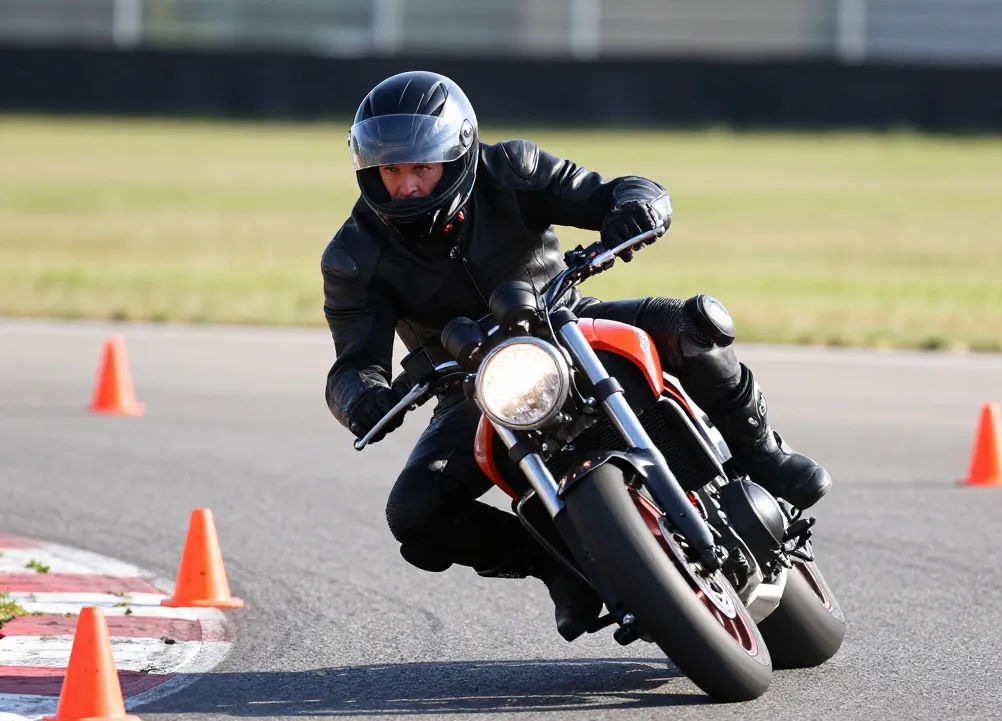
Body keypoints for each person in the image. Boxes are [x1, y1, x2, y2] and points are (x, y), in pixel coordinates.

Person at [322, 71, 831, 642]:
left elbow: (611, 190)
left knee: (691, 323)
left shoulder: (510, 168)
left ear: (458, 154)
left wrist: (636, 205)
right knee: (414, 514)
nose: (409, 186)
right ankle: (561, 569)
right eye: (393, 171)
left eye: (422, 167)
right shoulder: (353, 254)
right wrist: (361, 398)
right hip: (475, 386)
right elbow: (352, 364)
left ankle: (763, 454)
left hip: (567, 319)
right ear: (371, 171)